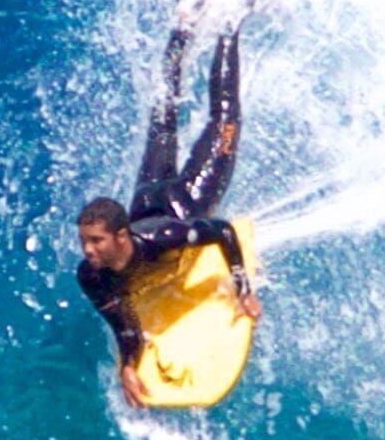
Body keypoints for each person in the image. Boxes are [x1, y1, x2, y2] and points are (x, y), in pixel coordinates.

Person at [76, 23, 259, 400]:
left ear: (121, 237)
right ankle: (184, 27)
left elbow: (222, 232)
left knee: (224, 119)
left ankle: (229, 23)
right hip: (148, 196)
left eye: (96, 242)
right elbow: (123, 324)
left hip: (185, 202)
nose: (88, 252)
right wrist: (129, 365)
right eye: (85, 242)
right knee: (162, 114)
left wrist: (243, 290)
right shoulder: (91, 277)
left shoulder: (162, 239)